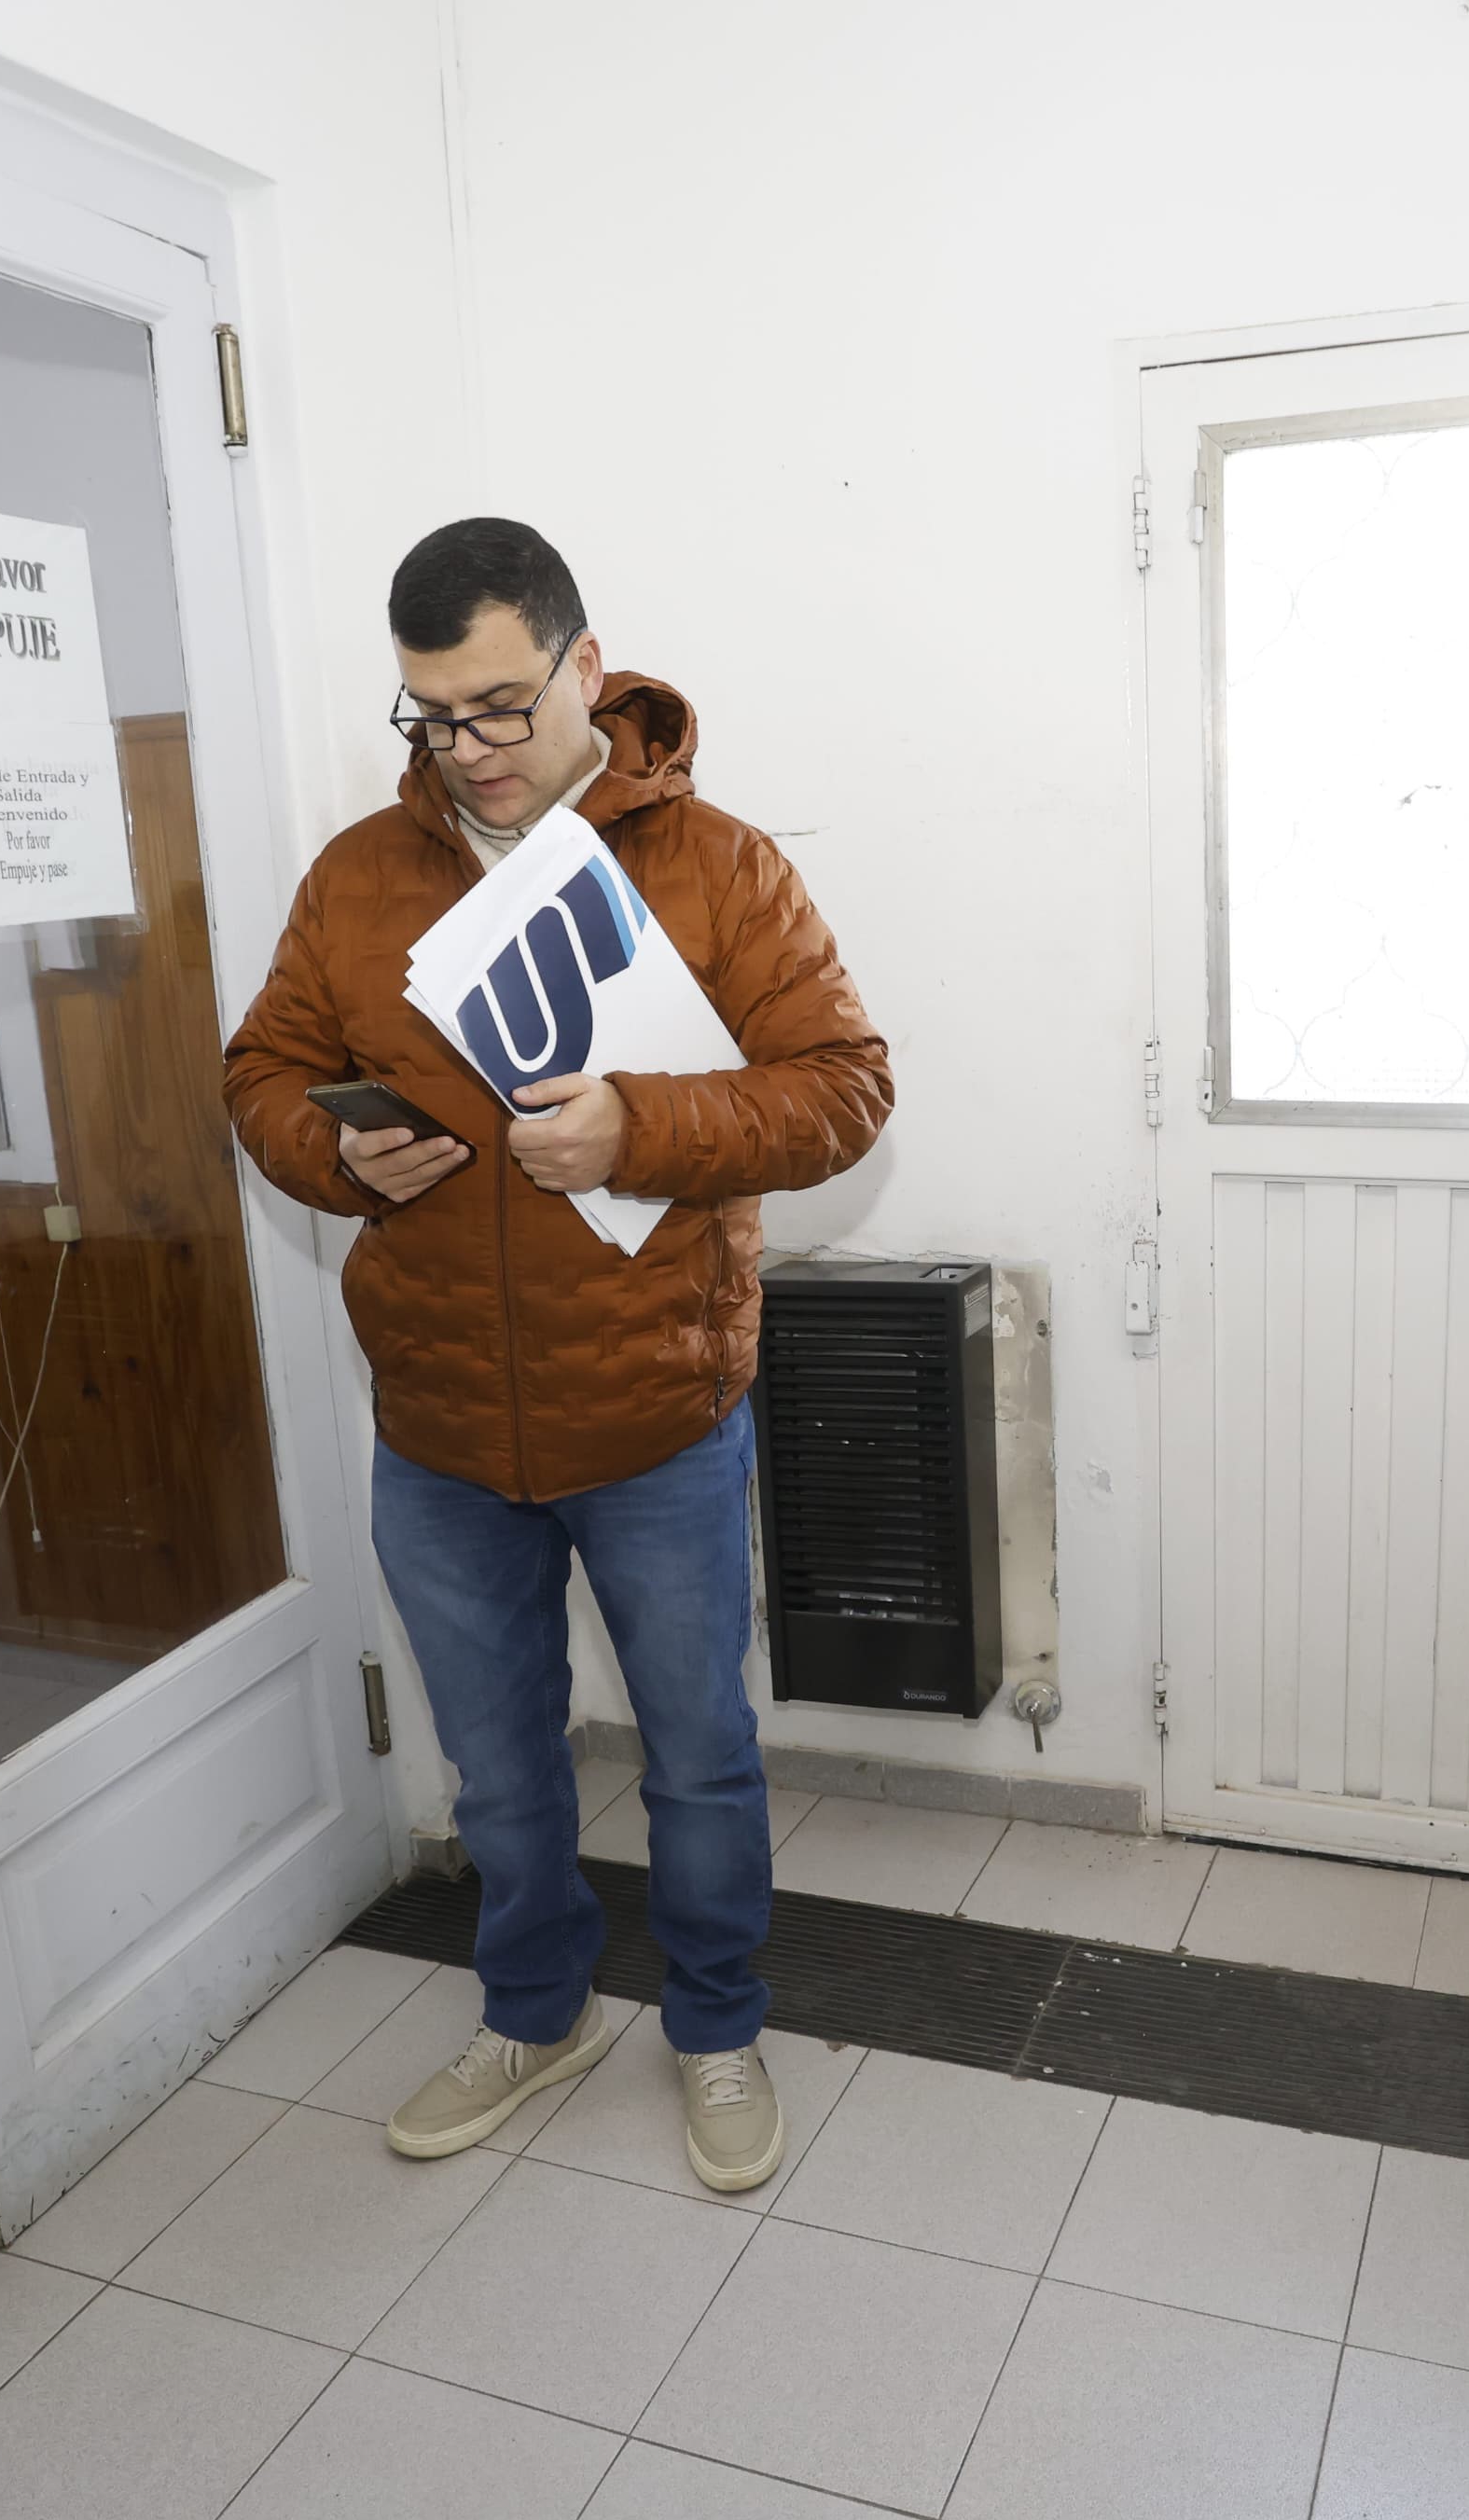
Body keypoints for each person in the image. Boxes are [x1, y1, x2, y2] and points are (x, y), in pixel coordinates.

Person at [222, 519, 890, 2193]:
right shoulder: (358, 877)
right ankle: (534, 2009)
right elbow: (264, 1074)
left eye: (502, 708)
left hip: (657, 1406)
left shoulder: (722, 867)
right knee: (497, 1764)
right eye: (431, 716)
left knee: (699, 1755)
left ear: (591, 669)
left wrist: (644, 1129)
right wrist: (328, 1151)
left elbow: (846, 1088)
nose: (468, 753)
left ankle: (717, 2027)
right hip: (440, 1425)